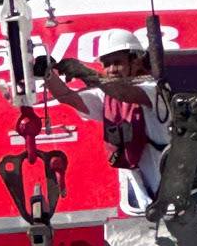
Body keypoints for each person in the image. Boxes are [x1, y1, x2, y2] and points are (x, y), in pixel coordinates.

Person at [43, 28, 169, 198]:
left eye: (117, 62)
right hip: (141, 196)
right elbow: (69, 98)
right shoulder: (107, 95)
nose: (112, 69)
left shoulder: (154, 89)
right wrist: (47, 75)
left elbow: (123, 93)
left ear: (136, 60)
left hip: (170, 190)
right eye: (107, 64)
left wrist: (85, 73)